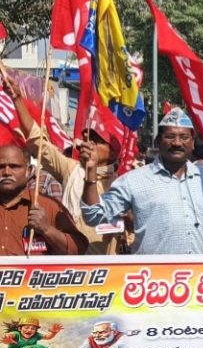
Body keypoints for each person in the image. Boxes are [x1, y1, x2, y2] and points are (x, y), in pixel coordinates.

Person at [80, 108, 203, 255]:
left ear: (192, 143)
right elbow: (94, 215)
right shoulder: (133, 181)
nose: (177, 143)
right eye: (170, 136)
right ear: (158, 142)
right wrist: (91, 173)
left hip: (197, 279)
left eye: (184, 137)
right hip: (154, 279)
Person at [4, 76, 124, 255]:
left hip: (102, 267)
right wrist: (17, 99)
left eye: (98, 141)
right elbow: (38, 143)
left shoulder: (122, 184)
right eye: (88, 138)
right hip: (68, 263)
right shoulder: (72, 169)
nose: (89, 143)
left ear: (113, 153)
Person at [0, 144, 89, 256]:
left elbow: (77, 248)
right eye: (1, 167)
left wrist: (47, 229)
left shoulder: (49, 206)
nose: (6, 172)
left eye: (14, 167)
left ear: (29, 170)